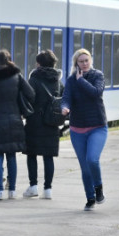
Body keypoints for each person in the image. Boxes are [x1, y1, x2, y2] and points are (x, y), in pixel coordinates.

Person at [0, 50, 35, 200]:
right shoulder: (17, 76)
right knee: (11, 156)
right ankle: (12, 190)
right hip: (14, 120)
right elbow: (31, 94)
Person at [61, 48, 108, 211]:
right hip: (77, 128)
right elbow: (66, 97)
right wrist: (64, 108)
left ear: (91, 61)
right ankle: (90, 197)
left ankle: (98, 187)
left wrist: (81, 80)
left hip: (97, 126)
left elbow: (96, 93)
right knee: (84, 165)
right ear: (76, 63)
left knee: (92, 159)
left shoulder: (97, 76)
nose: (84, 63)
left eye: (86, 60)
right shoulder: (71, 80)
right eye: (81, 61)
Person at [24, 50, 64, 200]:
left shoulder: (33, 80)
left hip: (34, 122)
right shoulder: (58, 81)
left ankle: (33, 186)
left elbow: (27, 99)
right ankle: (48, 189)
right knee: (48, 157)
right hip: (52, 122)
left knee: (32, 154)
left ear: (38, 64)